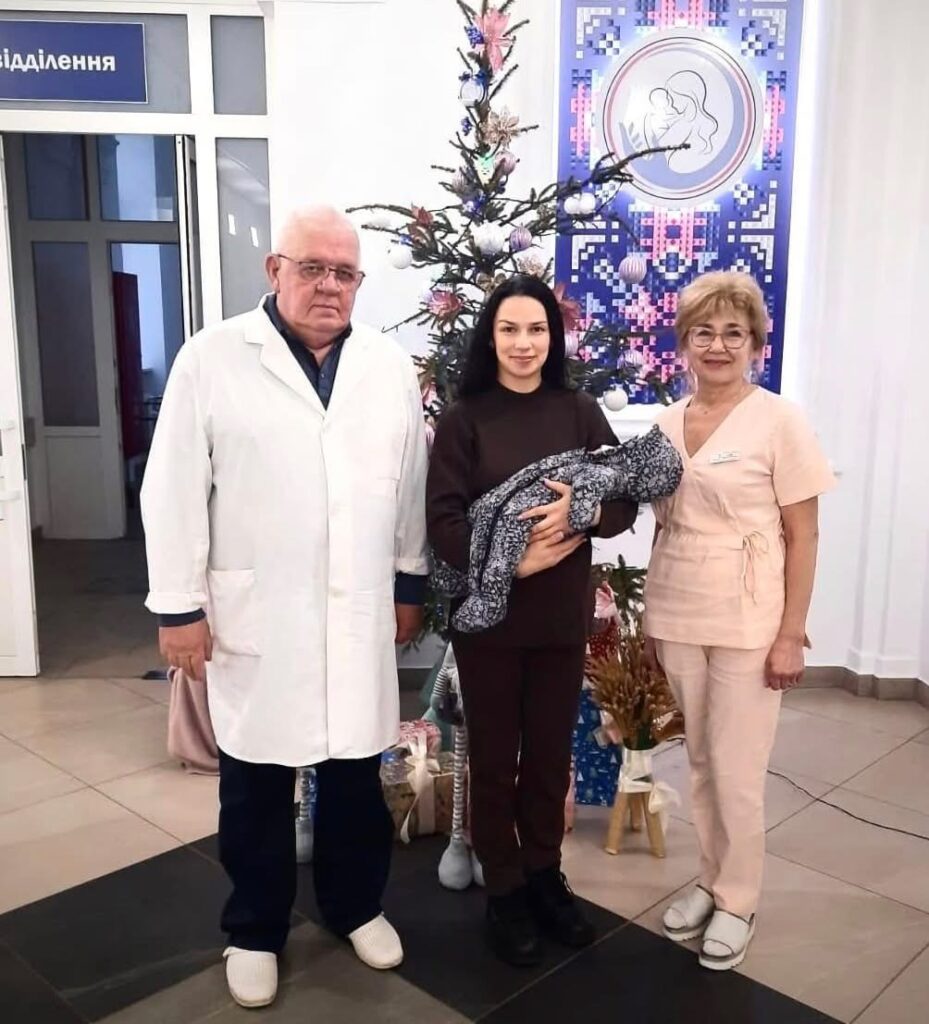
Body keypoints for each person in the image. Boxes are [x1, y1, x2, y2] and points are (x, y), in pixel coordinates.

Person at [140, 206, 429, 1009]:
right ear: (275, 270)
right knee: (256, 785)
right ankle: (255, 929)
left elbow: (408, 485)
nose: (328, 286)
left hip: (358, 610)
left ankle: (355, 906)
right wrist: (178, 606)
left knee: (353, 777)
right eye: (312, 268)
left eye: (344, 273)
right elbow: (172, 488)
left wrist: (408, 583)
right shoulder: (212, 358)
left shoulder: (385, 367)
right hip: (256, 613)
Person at [426, 275, 638, 966]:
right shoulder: (464, 420)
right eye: (510, 329)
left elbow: (623, 500)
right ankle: (505, 891)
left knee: (548, 758)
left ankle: (545, 875)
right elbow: (443, 522)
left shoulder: (579, 413)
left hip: (557, 622)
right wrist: (509, 563)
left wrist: (580, 510)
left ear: (554, 337)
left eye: (537, 329)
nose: (524, 344)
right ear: (490, 338)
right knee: (494, 761)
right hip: (488, 624)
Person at [643, 270, 835, 971]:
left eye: (733, 332)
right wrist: (649, 618)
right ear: (684, 343)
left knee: (737, 768)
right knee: (699, 761)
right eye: (704, 332)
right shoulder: (665, 424)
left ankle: (739, 901)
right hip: (678, 605)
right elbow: (661, 524)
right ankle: (710, 881)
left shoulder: (779, 420)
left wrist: (791, 633)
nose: (718, 345)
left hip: (749, 615)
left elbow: (803, 535)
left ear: (755, 343)